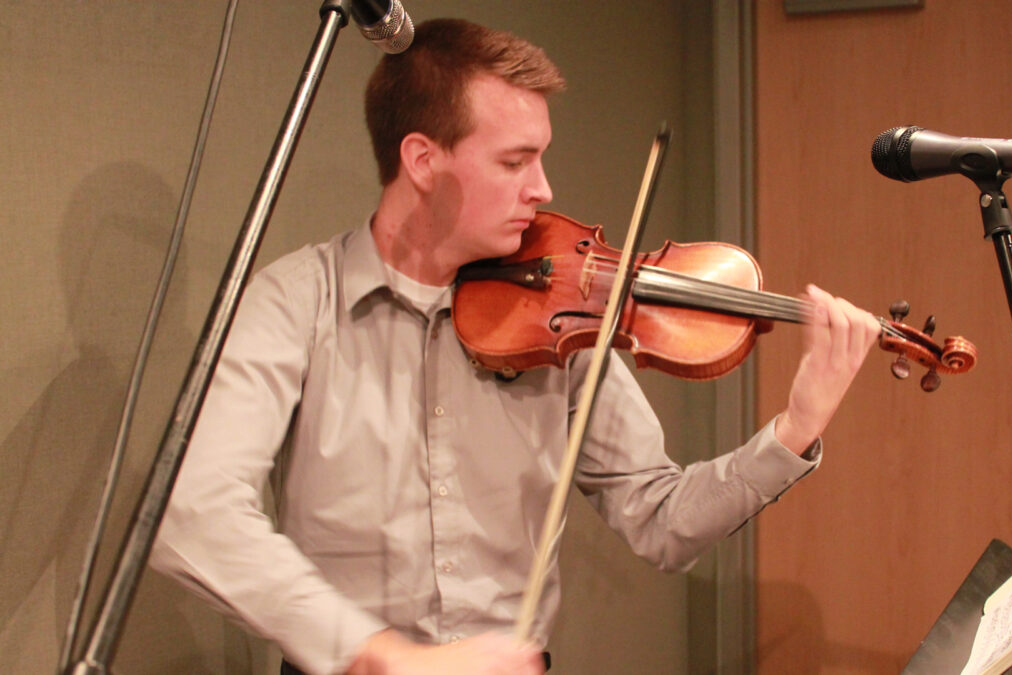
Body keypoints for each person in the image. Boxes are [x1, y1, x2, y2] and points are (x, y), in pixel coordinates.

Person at [150, 17, 881, 675]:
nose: (543, 187)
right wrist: (381, 657)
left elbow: (659, 517)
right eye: (513, 161)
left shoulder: (560, 313)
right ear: (422, 159)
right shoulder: (293, 303)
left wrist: (795, 427)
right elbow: (193, 514)